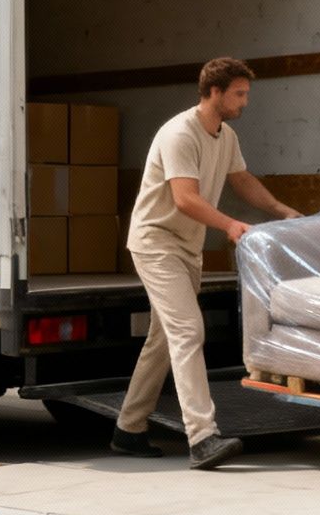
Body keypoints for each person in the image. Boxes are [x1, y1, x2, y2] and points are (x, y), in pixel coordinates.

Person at [112, 57, 302, 469]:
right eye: (239, 93)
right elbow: (185, 197)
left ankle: (128, 428)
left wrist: (279, 209)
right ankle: (202, 437)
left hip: (186, 246)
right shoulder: (180, 133)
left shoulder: (226, 134)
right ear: (214, 92)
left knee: (163, 339)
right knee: (187, 331)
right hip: (156, 242)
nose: (245, 102)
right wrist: (231, 225)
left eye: (245, 93)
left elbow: (242, 179)